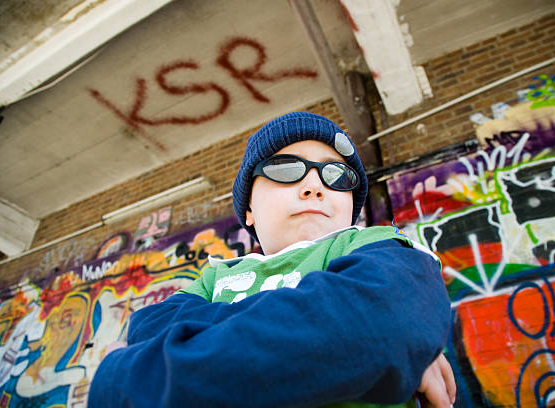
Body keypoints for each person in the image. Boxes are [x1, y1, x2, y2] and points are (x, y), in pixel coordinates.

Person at [88, 112, 455, 408]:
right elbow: (147, 329)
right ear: (248, 208)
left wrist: (121, 381)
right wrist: (382, 343)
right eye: (285, 169)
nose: (315, 186)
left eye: (337, 175)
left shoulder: (374, 243)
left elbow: (385, 315)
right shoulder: (217, 275)